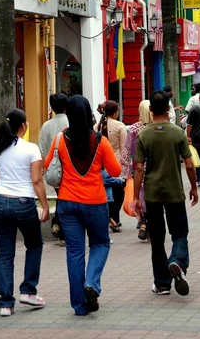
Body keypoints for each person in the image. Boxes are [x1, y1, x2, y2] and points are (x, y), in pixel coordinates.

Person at [45, 95, 121, 316]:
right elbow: (115, 171)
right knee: (100, 244)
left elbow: (49, 163)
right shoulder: (100, 140)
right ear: (89, 113)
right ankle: (91, 283)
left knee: (74, 253)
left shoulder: (60, 139)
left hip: (67, 203)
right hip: (96, 202)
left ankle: (79, 306)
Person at [132, 91, 198, 296]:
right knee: (179, 233)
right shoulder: (177, 133)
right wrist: (194, 188)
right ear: (168, 109)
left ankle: (161, 284)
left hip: (152, 193)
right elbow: (189, 164)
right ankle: (177, 261)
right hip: (174, 192)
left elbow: (139, 169)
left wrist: (135, 197)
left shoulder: (143, 134)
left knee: (158, 239)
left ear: (151, 109)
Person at [0, 108, 49, 316]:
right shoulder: (31, 149)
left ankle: (5, 303)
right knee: (34, 244)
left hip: (1, 202)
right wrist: (45, 206)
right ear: (24, 126)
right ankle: (28, 291)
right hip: (24, 203)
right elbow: (37, 180)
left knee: (4, 254)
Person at [120, 100, 152, 241]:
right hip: (154, 169)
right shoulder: (156, 128)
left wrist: (125, 171)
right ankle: (149, 227)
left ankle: (143, 222)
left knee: (139, 197)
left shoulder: (133, 129)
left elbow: (126, 151)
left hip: (137, 169)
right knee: (152, 198)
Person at [39, 92, 69, 244]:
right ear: (66, 106)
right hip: (69, 169)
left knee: (61, 196)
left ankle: (57, 223)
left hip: (52, 170)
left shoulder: (46, 125)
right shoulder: (71, 122)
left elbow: (42, 150)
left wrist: (45, 167)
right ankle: (61, 229)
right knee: (64, 198)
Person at [94, 100, 127, 232]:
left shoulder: (97, 126)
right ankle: (115, 218)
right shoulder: (120, 126)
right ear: (115, 112)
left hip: (102, 165)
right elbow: (124, 148)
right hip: (116, 164)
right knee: (119, 193)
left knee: (107, 192)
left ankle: (112, 219)